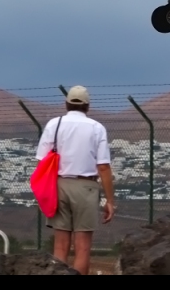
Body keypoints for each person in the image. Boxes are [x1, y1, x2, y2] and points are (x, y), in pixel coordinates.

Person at [35, 85, 115, 275]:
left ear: (67, 104)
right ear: (87, 106)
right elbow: (103, 166)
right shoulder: (96, 128)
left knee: (60, 245)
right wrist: (110, 200)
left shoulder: (54, 125)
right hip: (86, 187)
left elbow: (41, 160)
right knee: (83, 247)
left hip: (58, 185)